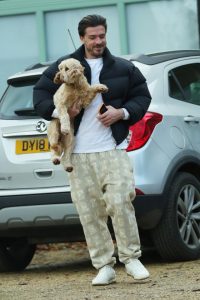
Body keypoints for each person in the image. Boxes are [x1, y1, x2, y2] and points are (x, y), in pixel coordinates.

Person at [33, 14, 151, 285]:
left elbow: (142, 97)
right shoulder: (63, 66)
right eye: (93, 37)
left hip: (113, 147)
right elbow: (39, 95)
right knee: (88, 211)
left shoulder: (123, 67)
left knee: (121, 201)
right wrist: (61, 113)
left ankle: (131, 259)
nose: (99, 41)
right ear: (83, 38)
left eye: (102, 36)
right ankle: (104, 266)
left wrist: (120, 112)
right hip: (77, 153)